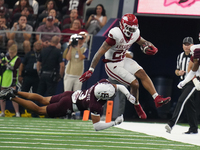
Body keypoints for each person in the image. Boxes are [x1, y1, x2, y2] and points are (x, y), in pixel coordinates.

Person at [79, 13, 171, 119]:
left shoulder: (135, 33)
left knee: (142, 73)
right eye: (129, 28)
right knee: (135, 84)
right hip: (112, 64)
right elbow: (99, 53)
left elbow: (143, 42)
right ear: (123, 26)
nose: (131, 31)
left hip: (123, 59)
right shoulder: (115, 35)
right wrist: (91, 69)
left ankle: (157, 98)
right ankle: (137, 105)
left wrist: (153, 47)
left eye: (133, 29)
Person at [0, 78, 136, 131]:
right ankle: (12, 98)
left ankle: (15, 92)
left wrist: (129, 95)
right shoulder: (96, 105)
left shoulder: (99, 85)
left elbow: (118, 87)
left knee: (42, 99)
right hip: (68, 105)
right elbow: (96, 127)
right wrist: (114, 123)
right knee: (39, 110)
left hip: (70, 94)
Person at [166, 42, 200, 134]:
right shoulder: (194, 53)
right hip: (194, 80)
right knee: (183, 100)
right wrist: (184, 82)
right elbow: (192, 70)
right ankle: (172, 123)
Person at [0, 44, 21, 117]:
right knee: (2, 96)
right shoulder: (6, 57)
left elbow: (13, 68)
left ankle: (17, 112)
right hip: (4, 79)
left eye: (12, 52)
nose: (11, 54)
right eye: (10, 52)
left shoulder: (17, 59)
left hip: (12, 79)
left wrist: (6, 64)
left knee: (13, 96)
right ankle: (2, 112)